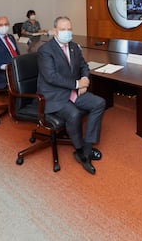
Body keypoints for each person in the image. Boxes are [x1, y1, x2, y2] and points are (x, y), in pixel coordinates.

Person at [37, 16, 106, 175]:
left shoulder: (74, 46)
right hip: (53, 95)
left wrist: (84, 78)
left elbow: (84, 66)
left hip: (72, 91)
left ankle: (86, 150)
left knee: (99, 103)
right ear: (55, 31)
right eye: (63, 29)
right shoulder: (45, 50)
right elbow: (51, 77)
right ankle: (79, 149)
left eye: (69, 29)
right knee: (74, 114)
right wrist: (76, 84)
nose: (67, 32)